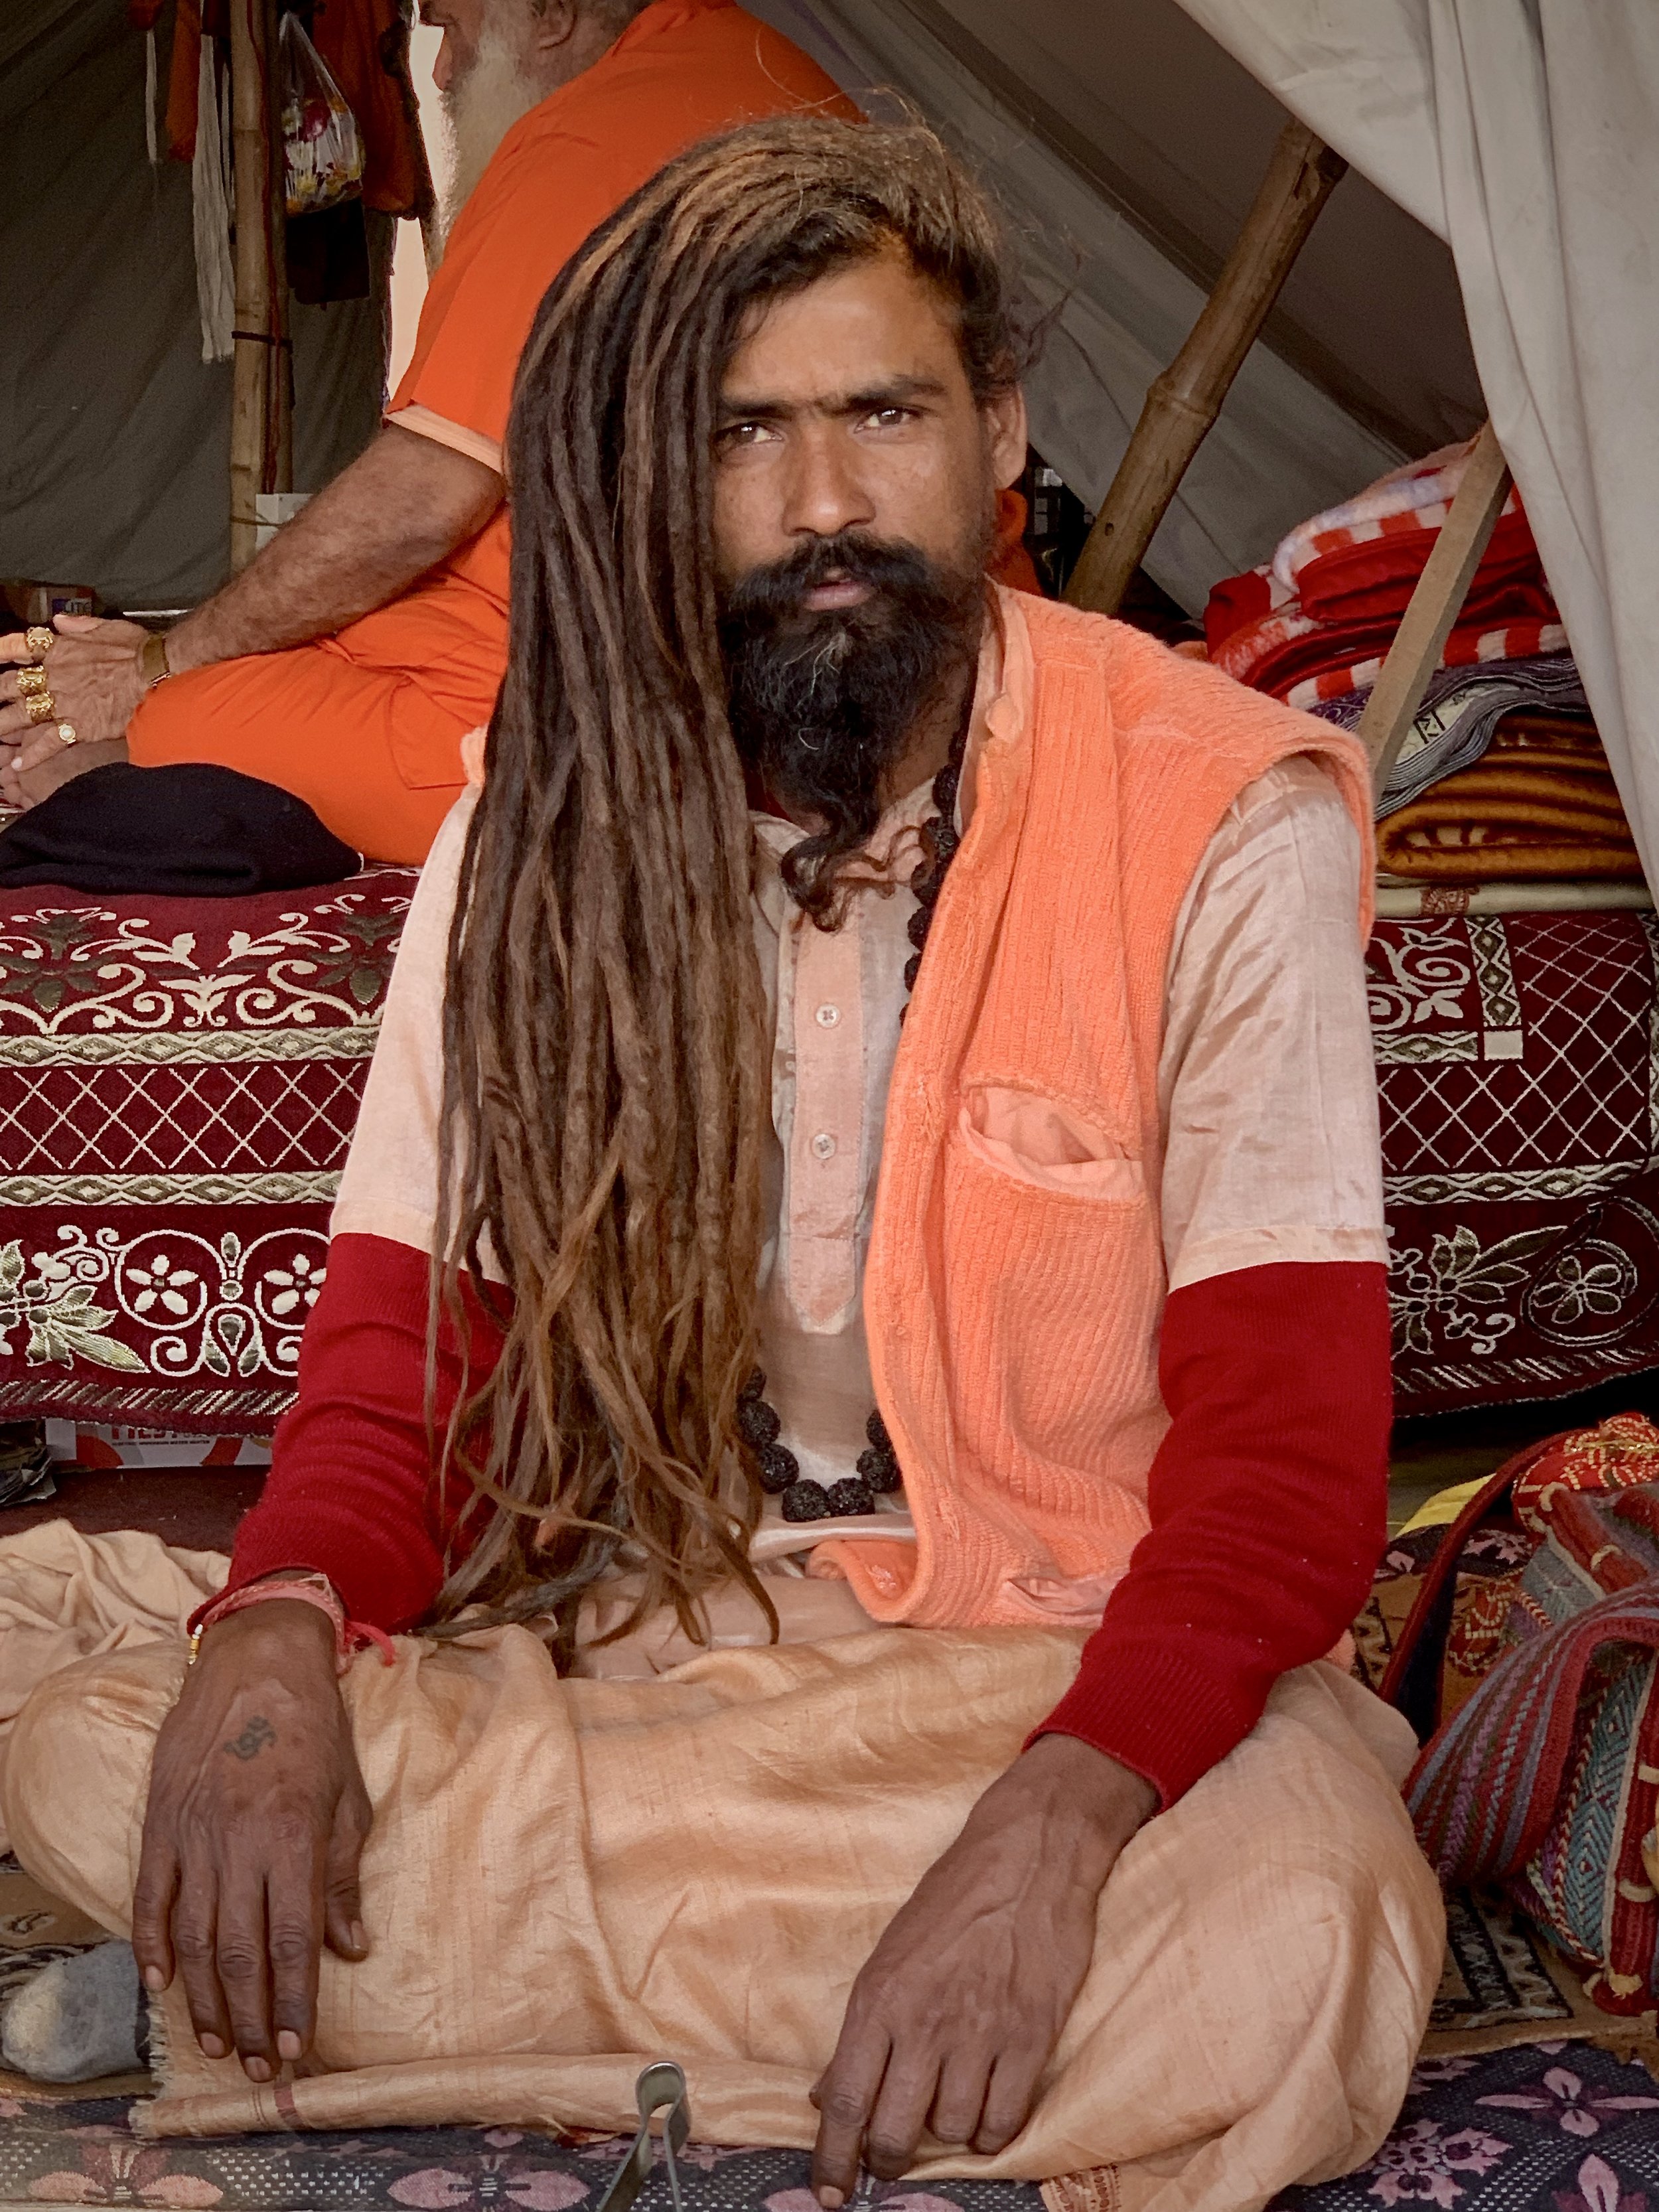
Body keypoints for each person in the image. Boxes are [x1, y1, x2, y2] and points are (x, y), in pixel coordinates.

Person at [3, 118, 1442, 2205]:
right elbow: (402, 1347)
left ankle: (327, 2003)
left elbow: (1289, 1466)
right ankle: (766, 2019)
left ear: (997, 428)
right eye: (742, 435)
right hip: (641, 1633)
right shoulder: (544, 822)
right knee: (115, 1732)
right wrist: (277, 1637)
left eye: (883, 413)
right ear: (647, 484)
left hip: (1048, 1673)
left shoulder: (1219, 815)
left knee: (1303, 1919)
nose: (826, 502)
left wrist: (1055, 1822)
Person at [0, 0, 857, 863]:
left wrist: (154, 670)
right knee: (216, 671)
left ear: (552, 16)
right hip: (608, 643)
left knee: (177, 711)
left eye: (453, 31)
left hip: (583, 702)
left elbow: (424, 496)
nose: (441, 73)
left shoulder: (591, 141)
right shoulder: (744, 63)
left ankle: (109, 760)